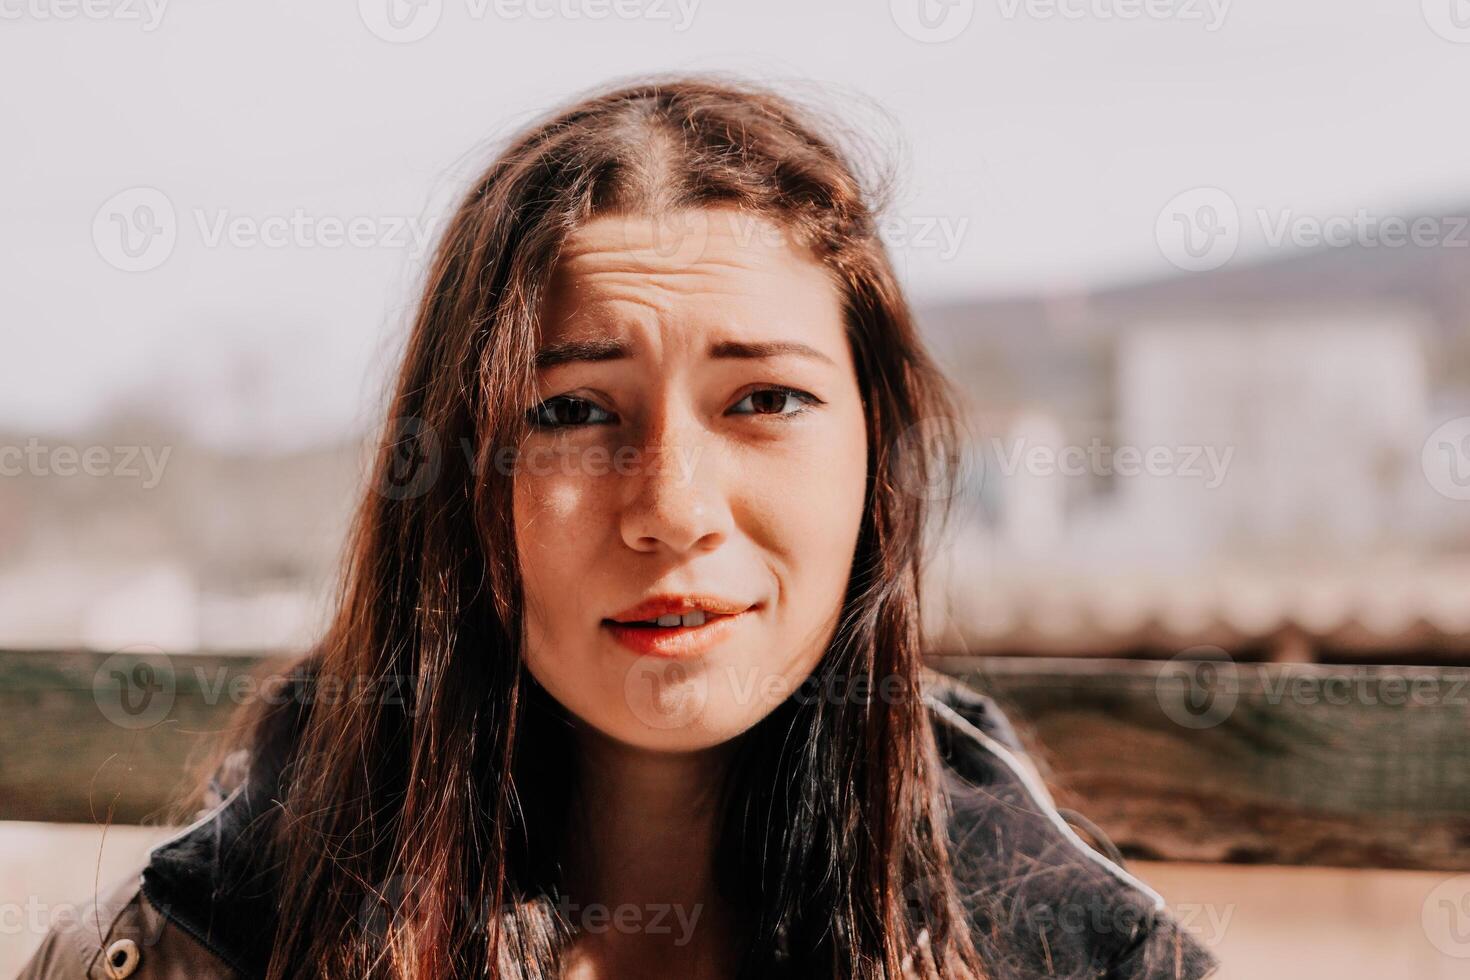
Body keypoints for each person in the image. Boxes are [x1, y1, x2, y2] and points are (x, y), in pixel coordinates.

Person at [19, 76, 1218, 980]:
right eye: (574, 411)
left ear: (879, 455)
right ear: (457, 481)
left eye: (764, 399)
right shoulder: (197, 942)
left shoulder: (1072, 949)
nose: (673, 509)